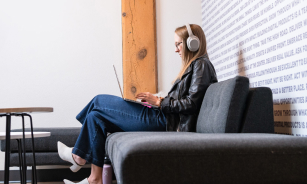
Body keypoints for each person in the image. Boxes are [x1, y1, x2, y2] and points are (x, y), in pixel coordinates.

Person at [59, 24, 217, 184]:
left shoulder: (201, 65)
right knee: (95, 117)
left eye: (178, 44)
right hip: (162, 115)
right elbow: (185, 101)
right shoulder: (195, 66)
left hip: (165, 121)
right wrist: (157, 101)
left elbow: (192, 104)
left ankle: (78, 155)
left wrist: (159, 102)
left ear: (193, 43)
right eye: (175, 45)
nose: (176, 49)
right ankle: (95, 179)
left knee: (98, 101)